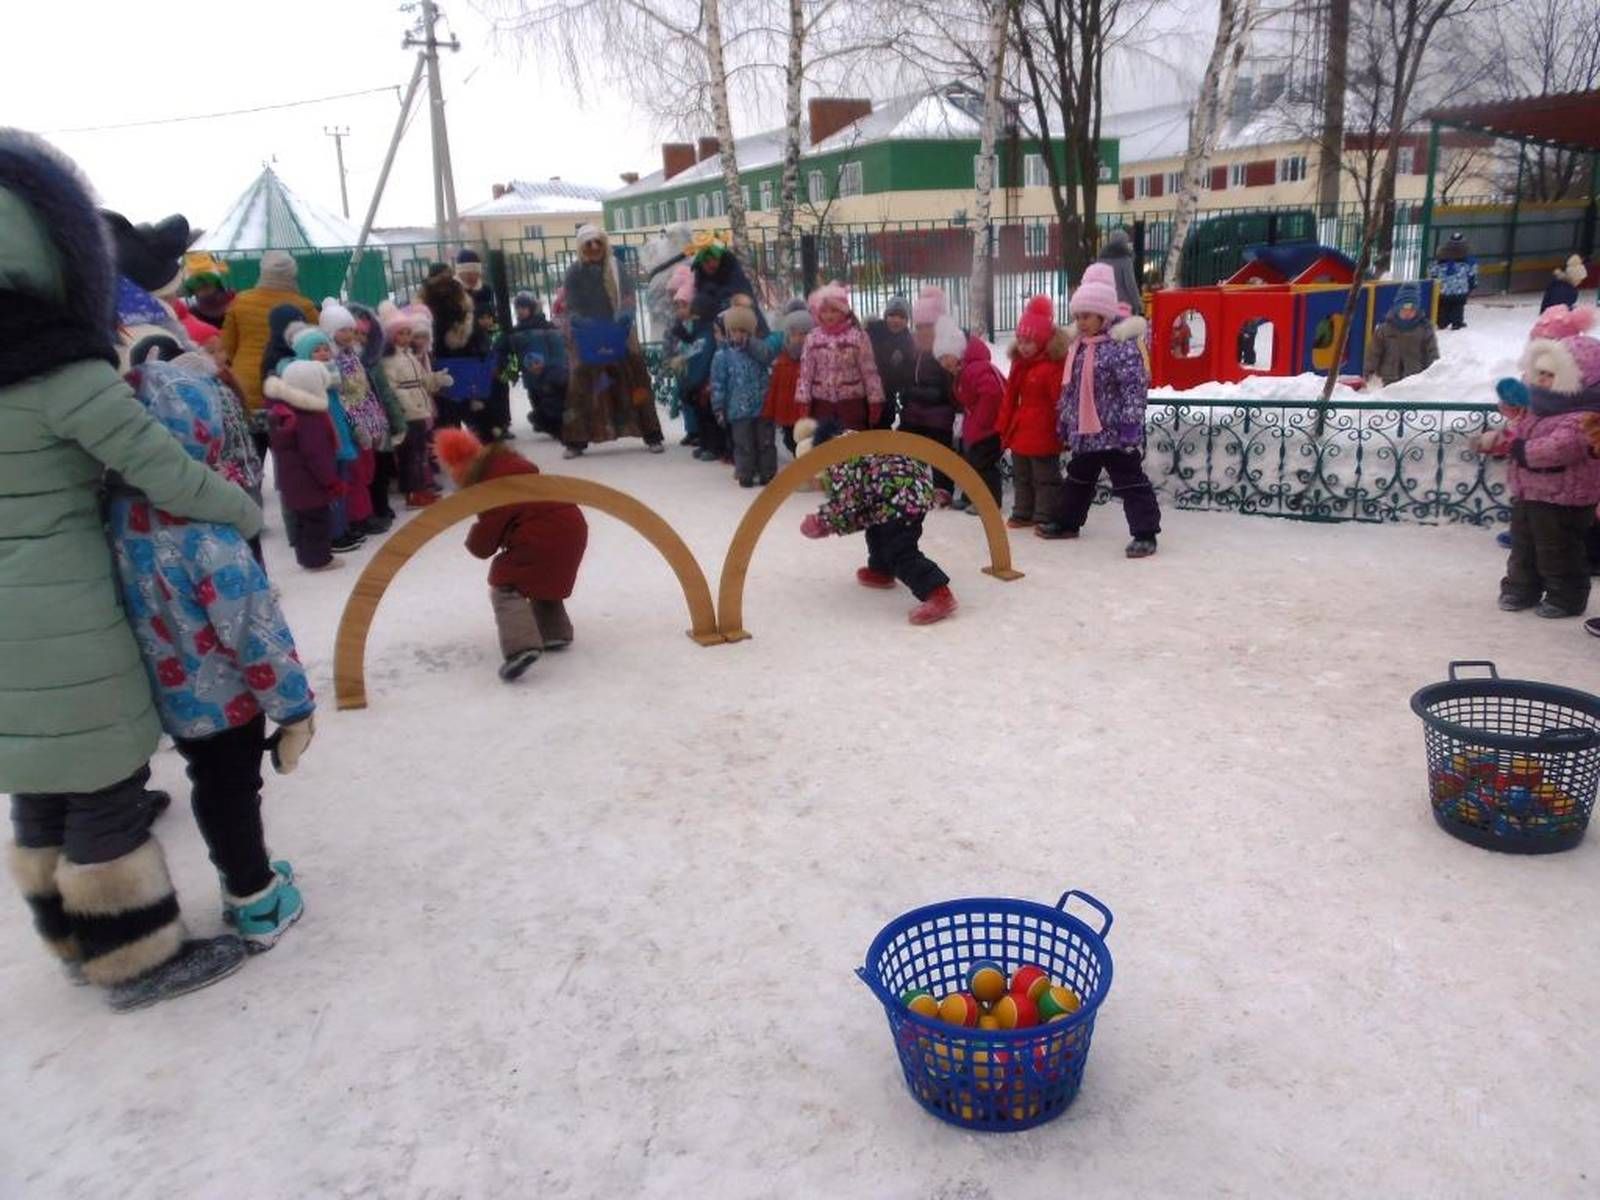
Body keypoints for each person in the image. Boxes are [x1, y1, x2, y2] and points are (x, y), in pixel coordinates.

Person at [1, 128, 260, 1009]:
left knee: (40, 774)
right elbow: (158, 466)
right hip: (64, 602)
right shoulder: (57, 372)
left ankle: (72, 939)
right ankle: (136, 956)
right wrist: (238, 508)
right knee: (105, 774)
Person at [107, 356, 311, 948]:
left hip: (170, 696)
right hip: (227, 699)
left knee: (210, 784)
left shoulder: (118, 518)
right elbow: (252, 630)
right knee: (233, 790)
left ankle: (243, 877)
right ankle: (255, 899)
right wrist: (294, 708)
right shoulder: (205, 529)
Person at [433, 428, 589, 682]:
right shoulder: (513, 468)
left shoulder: (494, 487)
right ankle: (554, 631)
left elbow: (486, 540)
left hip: (541, 535)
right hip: (573, 528)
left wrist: (473, 541)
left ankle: (521, 646)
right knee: (541, 576)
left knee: (506, 585)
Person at [1477, 306, 1600, 618]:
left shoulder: (1583, 415)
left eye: (1551, 375)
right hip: (1530, 492)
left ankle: (1566, 595)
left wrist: (1519, 449)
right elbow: (1519, 431)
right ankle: (1520, 587)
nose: (1543, 381)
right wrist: (1499, 440)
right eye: (1540, 374)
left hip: (1564, 498)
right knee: (1524, 544)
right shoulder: (1539, 407)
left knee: (1558, 549)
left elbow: (1560, 448)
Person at [1035, 262, 1160, 556]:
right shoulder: (1078, 347)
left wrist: (1131, 423)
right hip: (1088, 433)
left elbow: (1134, 387)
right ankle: (1068, 523)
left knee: (1129, 481)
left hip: (1115, 432)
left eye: (1087, 316)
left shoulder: (1120, 346)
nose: (1081, 322)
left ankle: (1145, 533)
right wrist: (1066, 420)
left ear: (1104, 314)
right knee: (1078, 478)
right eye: (1077, 316)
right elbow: (1071, 388)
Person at [795, 419, 958, 626]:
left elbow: (849, 503)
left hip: (902, 499)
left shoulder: (840, 460)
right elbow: (861, 507)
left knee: (899, 549)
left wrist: (823, 522)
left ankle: (937, 593)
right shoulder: (850, 443)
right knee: (876, 529)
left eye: (816, 481)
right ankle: (881, 570)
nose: (819, 486)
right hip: (897, 493)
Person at [560, 224, 665, 457]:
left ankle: (652, 434)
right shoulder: (575, 272)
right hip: (589, 335)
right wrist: (580, 321)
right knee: (582, 384)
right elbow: (572, 304)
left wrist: (625, 317)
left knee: (635, 380)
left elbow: (628, 296)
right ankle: (575, 441)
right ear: (582, 247)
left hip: (619, 333)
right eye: (589, 244)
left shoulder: (616, 268)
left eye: (598, 242)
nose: (595, 247)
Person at [264, 358, 346, 570]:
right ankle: (319, 559)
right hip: (310, 480)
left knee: (303, 520)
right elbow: (316, 453)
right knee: (317, 521)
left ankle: (306, 555)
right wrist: (330, 481)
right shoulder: (309, 415)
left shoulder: (283, 409)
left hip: (293, 478)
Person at [220, 249, 317, 425]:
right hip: (288, 385)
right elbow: (314, 349)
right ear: (293, 274)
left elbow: (226, 348)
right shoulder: (305, 307)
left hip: (244, 386)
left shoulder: (240, 301)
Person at [998, 295, 1067, 528]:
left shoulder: (1051, 367)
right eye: (1020, 340)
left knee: (1044, 476)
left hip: (1044, 429)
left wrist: (1063, 429)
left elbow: (1059, 399)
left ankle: (1046, 513)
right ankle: (1023, 510)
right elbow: (1009, 397)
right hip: (1023, 428)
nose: (1023, 346)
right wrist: (1004, 425)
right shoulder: (1020, 365)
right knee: (1022, 475)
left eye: (1029, 341)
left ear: (1043, 341)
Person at [935, 315, 1005, 511]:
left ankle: (989, 501)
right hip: (975, 427)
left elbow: (991, 393)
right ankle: (970, 496)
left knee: (984, 466)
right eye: (940, 359)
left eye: (945, 357)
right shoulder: (962, 371)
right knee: (972, 463)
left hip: (987, 429)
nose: (943, 364)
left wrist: (982, 419)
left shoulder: (976, 368)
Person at [378, 301, 444, 508]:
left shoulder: (410, 356)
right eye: (401, 333)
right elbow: (390, 386)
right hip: (408, 411)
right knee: (409, 455)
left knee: (419, 452)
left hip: (419, 409)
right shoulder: (389, 359)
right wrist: (405, 402)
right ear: (391, 336)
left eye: (408, 333)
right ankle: (411, 493)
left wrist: (435, 380)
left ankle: (420, 488)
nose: (406, 337)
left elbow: (422, 378)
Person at [350, 301, 408, 532]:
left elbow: (385, 392)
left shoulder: (373, 362)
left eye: (362, 335)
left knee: (381, 466)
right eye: (353, 333)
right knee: (366, 470)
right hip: (358, 425)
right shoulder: (343, 363)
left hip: (379, 422)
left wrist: (397, 421)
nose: (357, 339)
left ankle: (381, 505)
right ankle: (371, 509)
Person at [796, 281, 885, 431]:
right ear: (818, 313)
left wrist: (875, 399)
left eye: (834, 310)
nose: (829, 315)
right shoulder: (813, 338)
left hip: (851, 402)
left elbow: (869, 371)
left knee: (851, 444)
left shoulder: (858, 337)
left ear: (843, 311)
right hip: (821, 403)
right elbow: (806, 372)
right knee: (825, 444)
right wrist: (803, 399)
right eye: (824, 311)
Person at [898, 288, 958, 502]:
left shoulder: (945, 350)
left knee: (940, 450)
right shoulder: (914, 350)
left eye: (928, 326)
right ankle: (909, 482)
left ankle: (943, 487)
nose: (923, 331)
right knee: (906, 446)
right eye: (919, 326)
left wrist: (935, 395)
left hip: (938, 413)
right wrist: (905, 392)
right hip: (913, 412)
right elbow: (906, 377)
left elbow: (951, 385)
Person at [712, 305, 777, 487]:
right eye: (734, 330)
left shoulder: (758, 349)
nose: (738, 334)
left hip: (762, 406)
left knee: (765, 442)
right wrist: (718, 407)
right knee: (743, 444)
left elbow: (768, 356)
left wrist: (751, 344)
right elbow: (718, 383)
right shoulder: (723, 355)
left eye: (743, 330)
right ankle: (745, 473)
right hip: (737, 409)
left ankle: (768, 472)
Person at [510, 292, 567, 437]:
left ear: (531, 308)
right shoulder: (516, 331)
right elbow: (514, 353)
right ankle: (542, 421)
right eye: (517, 308)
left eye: (523, 307)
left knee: (549, 398)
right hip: (529, 373)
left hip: (548, 371)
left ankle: (553, 423)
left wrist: (555, 366)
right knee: (534, 396)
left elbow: (557, 349)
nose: (520, 311)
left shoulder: (546, 327)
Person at [688, 230, 767, 334]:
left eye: (714, 259)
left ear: (721, 258)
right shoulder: (701, 278)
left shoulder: (733, 272)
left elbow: (744, 299)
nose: (710, 264)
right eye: (706, 261)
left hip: (742, 327)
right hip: (712, 332)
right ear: (701, 262)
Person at [1365, 283, 1440, 387]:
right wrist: (1368, 371)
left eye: (1411, 310)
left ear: (1417, 310)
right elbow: (1374, 352)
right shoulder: (1385, 329)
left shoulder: (1424, 329)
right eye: (1404, 310)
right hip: (1389, 378)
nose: (1407, 313)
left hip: (1415, 378)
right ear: (1397, 309)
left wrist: (1434, 372)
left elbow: (1432, 352)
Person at [765, 303, 812, 457]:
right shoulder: (782, 361)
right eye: (794, 334)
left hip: (807, 414)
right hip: (787, 413)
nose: (799, 339)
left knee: (807, 443)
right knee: (790, 442)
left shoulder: (813, 360)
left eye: (804, 333)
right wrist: (770, 411)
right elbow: (775, 388)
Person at [866, 295, 915, 430]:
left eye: (901, 317)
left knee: (883, 430)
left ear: (907, 320)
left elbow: (907, 375)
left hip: (888, 397)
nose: (896, 320)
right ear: (885, 316)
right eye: (892, 315)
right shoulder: (874, 332)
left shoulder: (907, 342)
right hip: (866, 395)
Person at [420, 261, 475, 353]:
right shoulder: (426, 296)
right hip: (435, 345)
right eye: (441, 278)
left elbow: (466, 314)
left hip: (461, 343)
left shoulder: (457, 291)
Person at [1429, 232, 1477, 330]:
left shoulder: (1441, 254)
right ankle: (1457, 322)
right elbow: (1472, 273)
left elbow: (1433, 270)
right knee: (1458, 305)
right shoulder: (1468, 257)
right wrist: (1472, 285)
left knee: (1443, 305)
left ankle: (1442, 322)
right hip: (1460, 289)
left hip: (1443, 289)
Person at [1097, 227, 1144, 316]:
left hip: (1106, 301)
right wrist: (1137, 303)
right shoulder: (1125, 260)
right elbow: (1130, 283)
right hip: (1123, 304)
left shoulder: (1101, 259)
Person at [182, 250, 234, 328]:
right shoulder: (192, 315)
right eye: (199, 286)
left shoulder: (237, 305)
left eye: (207, 284)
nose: (203, 287)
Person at [455, 247, 494, 315]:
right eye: (466, 272)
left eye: (474, 271)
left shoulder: (486, 290)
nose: (471, 276)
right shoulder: (451, 292)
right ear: (459, 273)